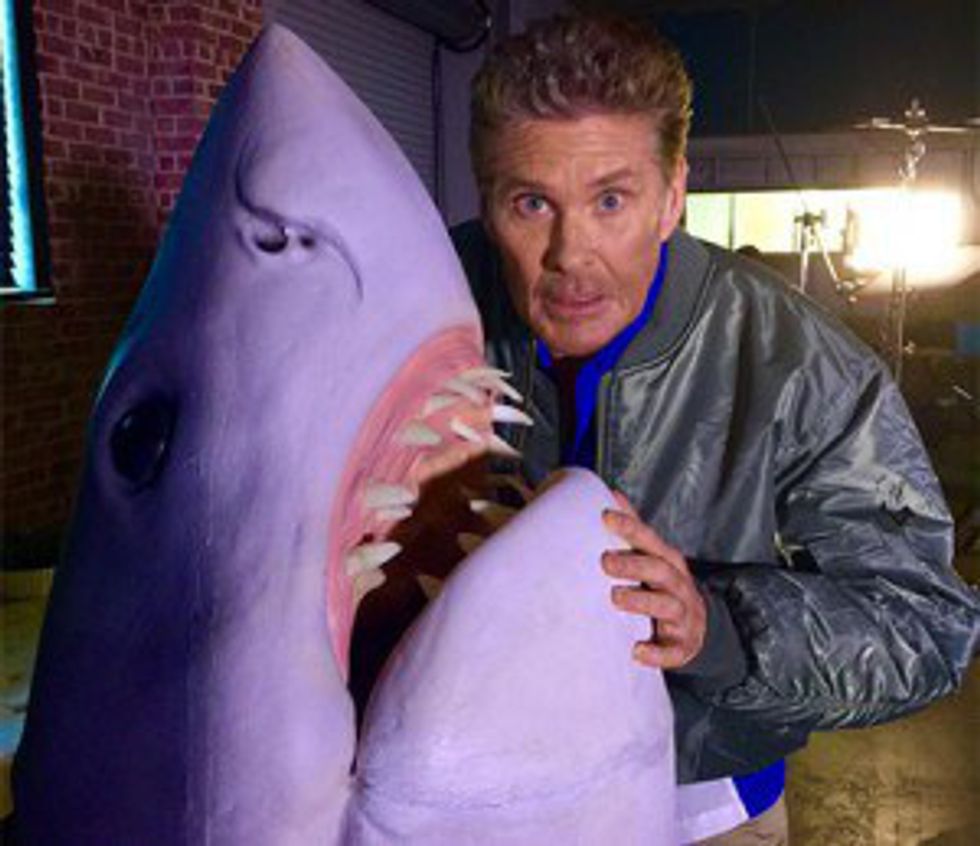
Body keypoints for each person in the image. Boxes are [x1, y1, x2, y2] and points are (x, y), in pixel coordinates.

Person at [447, 13, 980, 845]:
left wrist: (718, 628)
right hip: (476, 787)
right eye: (531, 203)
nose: (569, 253)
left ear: (673, 197)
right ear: (486, 202)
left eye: (611, 199)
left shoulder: (798, 364)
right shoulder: (421, 303)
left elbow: (925, 627)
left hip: (704, 802)